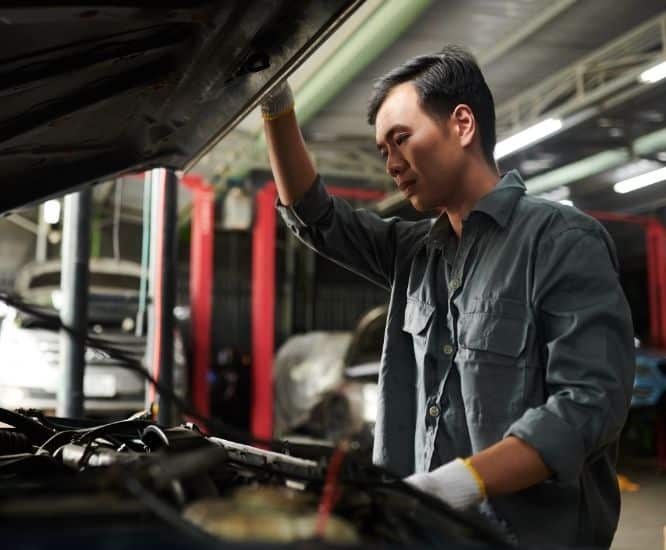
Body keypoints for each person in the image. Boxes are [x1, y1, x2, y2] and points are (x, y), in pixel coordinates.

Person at [260, 45, 634, 547]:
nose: (392, 164)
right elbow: (317, 218)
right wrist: (273, 101)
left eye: (401, 139)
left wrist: (461, 482)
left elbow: (588, 404)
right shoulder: (414, 256)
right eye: (382, 151)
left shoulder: (561, 241)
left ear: (462, 125)